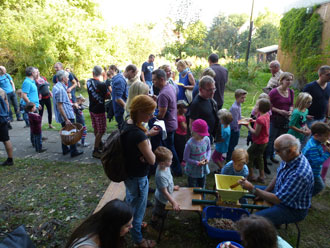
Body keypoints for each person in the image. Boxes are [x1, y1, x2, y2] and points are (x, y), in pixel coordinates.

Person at [239, 134, 314, 226]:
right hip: (280, 194)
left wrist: (253, 189)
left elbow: (279, 200)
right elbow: (278, 176)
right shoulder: (290, 158)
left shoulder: (300, 174)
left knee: (252, 221)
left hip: (292, 209)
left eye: (277, 151)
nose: (275, 153)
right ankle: (242, 211)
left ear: (291, 151)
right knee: (240, 189)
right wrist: (264, 192)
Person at [121, 95, 159, 248]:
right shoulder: (139, 134)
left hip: (129, 174)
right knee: (138, 210)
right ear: (140, 112)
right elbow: (152, 160)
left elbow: (133, 144)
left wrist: (147, 135)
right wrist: (147, 145)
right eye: (149, 113)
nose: (151, 116)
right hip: (138, 177)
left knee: (132, 200)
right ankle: (139, 240)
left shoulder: (127, 124)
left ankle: (132, 225)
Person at [65, 199, 133, 248]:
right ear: (114, 228)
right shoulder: (87, 246)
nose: (131, 226)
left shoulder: (100, 229)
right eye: (127, 225)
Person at [152, 69, 182, 177]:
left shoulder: (163, 94)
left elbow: (161, 114)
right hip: (172, 123)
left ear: (161, 79)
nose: (153, 82)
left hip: (167, 126)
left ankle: (176, 170)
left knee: (169, 149)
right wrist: (157, 99)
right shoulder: (169, 87)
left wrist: (152, 116)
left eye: (154, 80)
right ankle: (175, 169)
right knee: (170, 147)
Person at [52, 70, 83, 158]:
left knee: (65, 131)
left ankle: (65, 149)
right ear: (63, 78)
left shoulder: (57, 87)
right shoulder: (61, 89)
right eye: (67, 77)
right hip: (66, 114)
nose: (69, 79)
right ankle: (74, 151)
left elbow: (62, 102)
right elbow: (60, 106)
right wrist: (66, 119)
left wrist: (72, 104)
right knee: (72, 132)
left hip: (65, 113)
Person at [266, 72, 294, 164]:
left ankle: (272, 155)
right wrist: (279, 111)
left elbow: (291, 104)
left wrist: (290, 110)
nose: (289, 82)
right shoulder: (274, 92)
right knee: (271, 139)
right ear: (282, 80)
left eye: (291, 80)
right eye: (287, 80)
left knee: (279, 139)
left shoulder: (291, 92)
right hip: (274, 119)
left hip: (285, 120)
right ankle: (266, 157)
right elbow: (268, 105)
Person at [243, 98, 271, 183]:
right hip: (265, 141)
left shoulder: (260, 119)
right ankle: (262, 176)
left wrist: (248, 126)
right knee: (260, 157)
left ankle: (251, 176)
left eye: (257, 105)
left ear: (260, 108)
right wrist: (253, 120)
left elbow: (255, 133)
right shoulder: (266, 115)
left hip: (259, 142)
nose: (255, 106)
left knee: (249, 155)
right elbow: (262, 124)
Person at [151, 146, 180, 226]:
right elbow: (164, 192)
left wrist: (172, 187)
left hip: (166, 193)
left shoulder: (166, 167)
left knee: (163, 211)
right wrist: (173, 202)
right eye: (169, 160)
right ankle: (153, 220)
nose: (171, 161)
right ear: (162, 163)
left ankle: (160, 216)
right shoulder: (160, 175)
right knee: (158, 211)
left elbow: (169, 180)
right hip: (162, 199)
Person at [87, 66, 109, 159]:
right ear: (102, 74)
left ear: (93, 73)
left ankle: (99, 143)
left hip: (92, 108)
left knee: (96, 127)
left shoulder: (88, 82)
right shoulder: (102, 84)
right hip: (99, 110)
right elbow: (108, 96)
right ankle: (95, 150)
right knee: (101, 130)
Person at [302, 122, 330, 196]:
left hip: (310, 170)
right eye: (326, 136)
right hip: (312, 172)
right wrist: (327, 153)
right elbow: (317, 162)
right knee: (320, 186)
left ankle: (304, 196)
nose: (328, 138)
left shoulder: (314, 141)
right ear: (317, 135)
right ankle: (305, 197)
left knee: (307, 186)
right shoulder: (314, 147)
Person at [184, 119, 211, 188]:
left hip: (203, 168)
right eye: (201, 134)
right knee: (192, 186)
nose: (203, 136)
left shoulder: (206, 139)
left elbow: (208, 149)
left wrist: (207, 158)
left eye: (204, 134)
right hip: (193, 170)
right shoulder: (190, 144)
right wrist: (196, 162)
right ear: (194, 132)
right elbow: (186, 158)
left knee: (202, 184)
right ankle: (193, 198)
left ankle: (202, 197)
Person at [189, 76, 218, 141]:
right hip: (201, 138)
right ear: (201, 90)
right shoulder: (196, 104)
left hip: (209, 135)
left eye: (214, 89)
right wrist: (196, 140)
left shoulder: (209, 98)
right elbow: (192, 123)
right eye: (210, 90)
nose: (213, 92)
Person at [227, 89, 247, 161]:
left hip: (236, 128)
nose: (243, 99)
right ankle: (229, 159)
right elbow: (235, 121)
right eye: (242, 98)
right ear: (236, 97)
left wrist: (244, 118)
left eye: (244, 97)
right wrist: (244, 122)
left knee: (233, 144)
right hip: (234, 129)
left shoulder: (238, 105)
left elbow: (238, 117)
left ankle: (229, 157)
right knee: (232, 145)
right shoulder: (235, 107)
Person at [0, 88, 14, 166]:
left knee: (6, 140)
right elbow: (7, 103)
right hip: (3, 118)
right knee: (6, 139)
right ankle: (10, 159)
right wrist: (6, 115)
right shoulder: (2, 90)